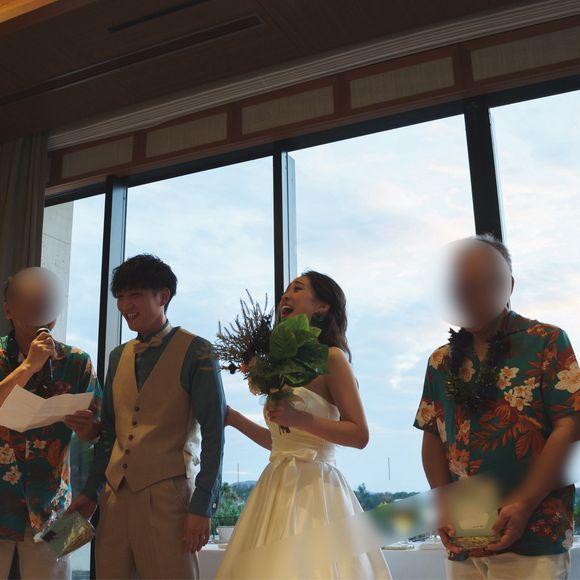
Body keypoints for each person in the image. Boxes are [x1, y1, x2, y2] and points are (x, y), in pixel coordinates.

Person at [414, 235, 580, 579]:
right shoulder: (440, 361)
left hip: (534, 533)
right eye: (461, 287)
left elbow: (571, 426)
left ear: (509, 285)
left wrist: (524, 503)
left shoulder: (546, 341)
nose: (471, 295)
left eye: (483, 284)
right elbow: (433, 436)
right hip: (464, 536)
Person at [216, 271, 391, 579]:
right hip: (275, 487)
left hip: (317, 489)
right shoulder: (279, 367)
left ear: (322, 306)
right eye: (285, 291)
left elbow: (359, 434)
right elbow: (281, 442)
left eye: (297, 289)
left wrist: (301, 419)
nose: (286, 295)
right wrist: (233, 419)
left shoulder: (332, 359)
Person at [69, 253, 226, 579]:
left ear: (163, 296)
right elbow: (110, 435)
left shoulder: (198, 351)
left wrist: (203, 505)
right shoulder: (118, 356)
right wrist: (91, 491)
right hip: (114, 498)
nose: (125, 304)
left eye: (135, 294)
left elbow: (214, 434)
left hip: (169, 496)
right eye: (120, 296)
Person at [0, 267, 101, 580]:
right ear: (9, 310)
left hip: (57, 506)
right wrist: (29, 366)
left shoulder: (78, 361)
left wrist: (87, 428)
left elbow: (99, 433)